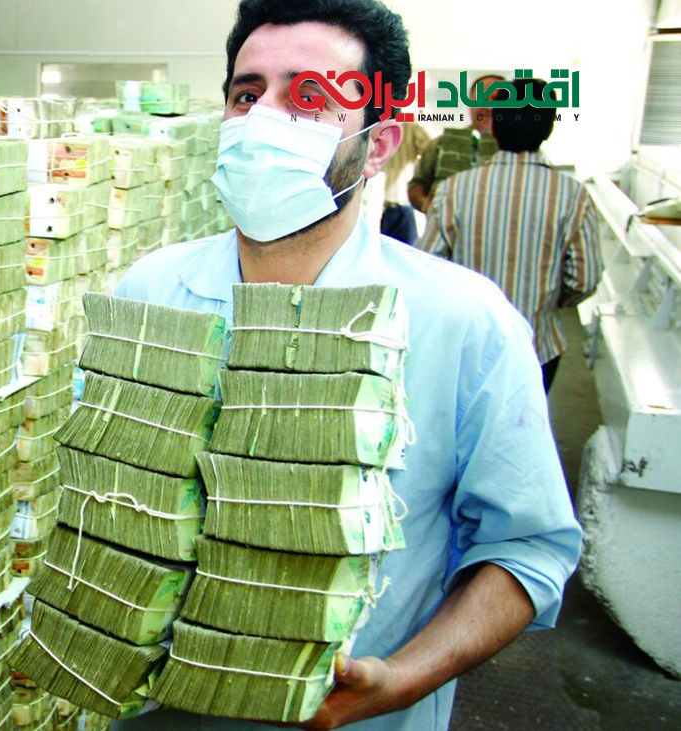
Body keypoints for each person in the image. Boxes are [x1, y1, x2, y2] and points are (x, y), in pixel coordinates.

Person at [112, 1, 581, 729]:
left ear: (379, 141)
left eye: (309, 98)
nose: (263, 120)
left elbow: (525, 547)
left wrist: (401, 680)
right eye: (247, 95)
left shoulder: (464, 323)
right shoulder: (149, 290)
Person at [418, 78, 602, 392]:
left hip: (468, 344)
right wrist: (545, 299)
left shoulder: (455, 189)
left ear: (495, 125)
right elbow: (584, 279)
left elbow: (429, 266)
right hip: (539, 345)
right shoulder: (572, 195)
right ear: (548, 129)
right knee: (525, 422)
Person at [406, 74, 504, 213]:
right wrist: (425, 205)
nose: (489, 107)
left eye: (496, 99)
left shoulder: (519, 150)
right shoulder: (441, 144)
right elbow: (417, 184)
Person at [375, 120, 430, 243]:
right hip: (372, 209)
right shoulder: (369, 117)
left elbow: (431, 150)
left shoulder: (410, 122)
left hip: (401, 207)